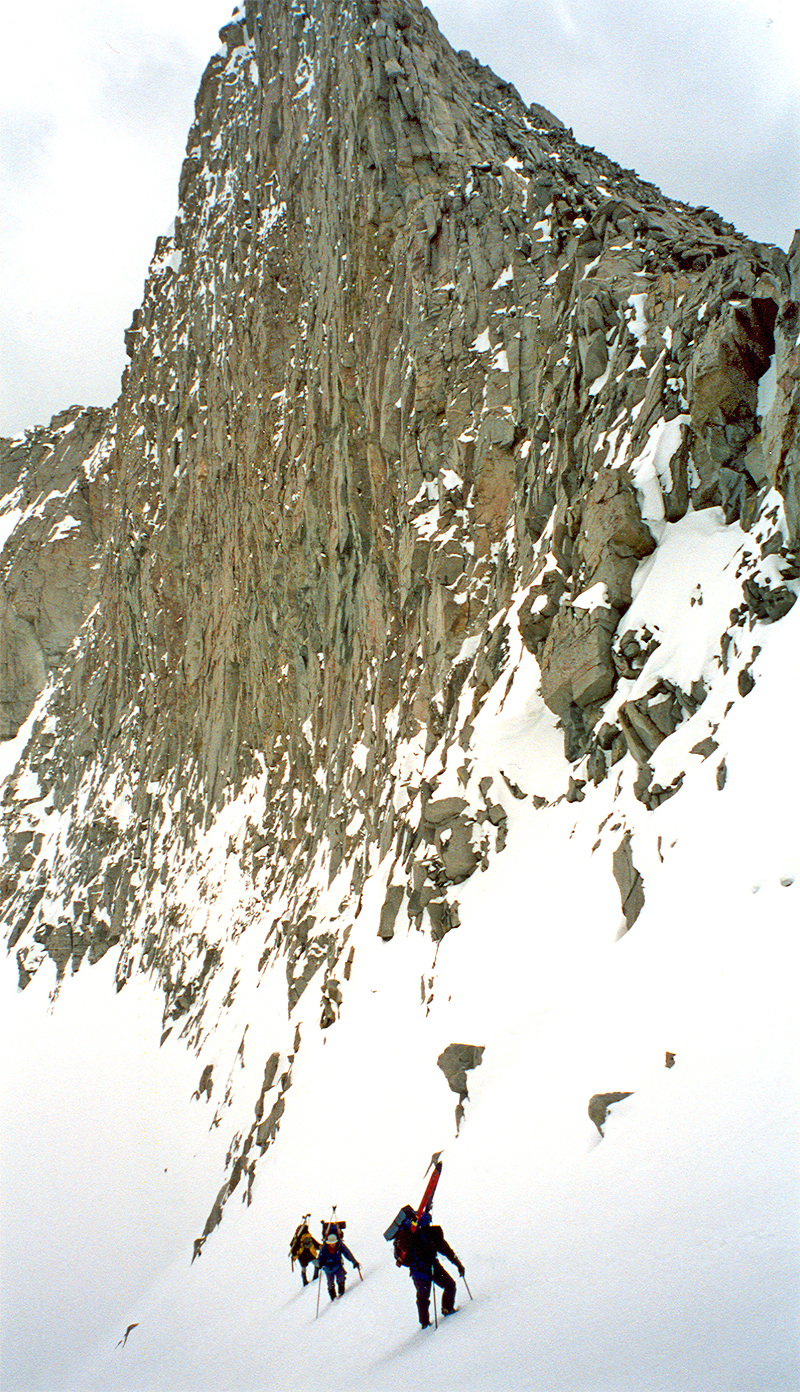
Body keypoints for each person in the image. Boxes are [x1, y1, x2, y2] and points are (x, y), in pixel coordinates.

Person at [394, 1210, 464, 1327]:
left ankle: (425, 1323)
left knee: (423, 1297)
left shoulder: (413, 1236)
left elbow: (445, 1249)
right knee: (447, 1286)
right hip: (428, 1267)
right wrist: (458, 1264)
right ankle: (445, 1310)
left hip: (419, 1271)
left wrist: (458, 1264)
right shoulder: (432, 1235)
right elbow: (446, 1250)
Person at [316, 1226, 360, 1300]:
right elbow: (320, 1257)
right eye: (331, 1243)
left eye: (334, 1243)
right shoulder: (324, 1248)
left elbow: (347, 1253)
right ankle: (333, 1298)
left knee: (341, 1279)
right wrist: (320, 1264)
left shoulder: (340, 1245)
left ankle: (341, 1294)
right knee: (330, 1284)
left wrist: (354, 1262)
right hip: (328, 1268)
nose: (332, 1245)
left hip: (338, 1266)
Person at [289, 1219, 320, 1286]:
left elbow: (294, 1248)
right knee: (317, 1265)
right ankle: (315, 1276)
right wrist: (322, 1247)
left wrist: (294, 1255)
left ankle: (305, 1281)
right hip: (311, 1254)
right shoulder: (309, 1237)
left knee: (303, 1268)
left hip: (302, 1256)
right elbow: (316, 1245)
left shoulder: (297, 1240)